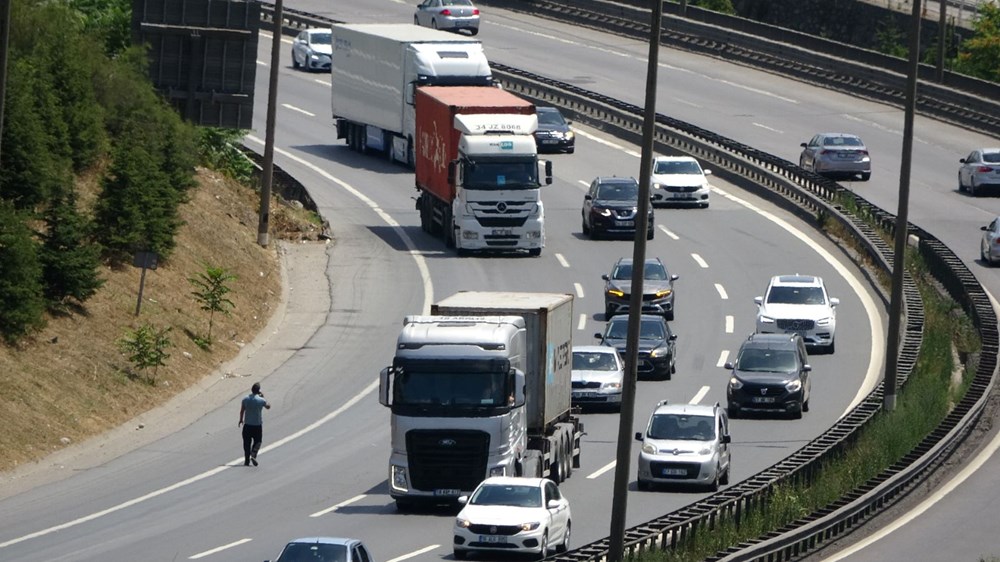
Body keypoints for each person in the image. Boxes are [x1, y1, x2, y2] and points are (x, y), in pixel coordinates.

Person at [238, 382, 270, 466]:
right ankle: (253, 454)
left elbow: (242, 411)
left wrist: (241, 420)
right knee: (258, 441)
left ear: (251, 390)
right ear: (259, 391)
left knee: (246, 443)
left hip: (247, 425)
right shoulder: (261, 400)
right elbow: (268, 406)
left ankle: (246, 460)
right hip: (257, 425)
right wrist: (263, 397)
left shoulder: (245, 399)